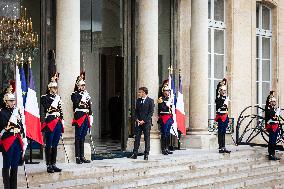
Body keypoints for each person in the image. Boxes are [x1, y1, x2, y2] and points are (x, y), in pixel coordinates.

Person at [0, 85, 28, 189]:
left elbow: (20, 126)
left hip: (16, 141)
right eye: (10, 101)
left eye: (13, 100)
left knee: (15, 165)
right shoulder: (2, 113)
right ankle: (7, 187)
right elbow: (3, 127)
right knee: (7, 165)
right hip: (8, 141)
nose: (13, 102)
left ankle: (13, 187)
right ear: (6, 101)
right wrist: (12, 125)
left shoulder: (16, 112)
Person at [41, 73, 64, 173]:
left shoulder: (58, 98)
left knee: (55, 144)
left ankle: (54, 163)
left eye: (56, 87)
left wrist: (62, 120)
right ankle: (48, 164)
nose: (55, 89)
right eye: (54, 87)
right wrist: (55, 100)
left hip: (58, 122)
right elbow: (48, 108)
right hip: (50, 121)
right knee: (49, 144)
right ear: (49, 88)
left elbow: (60, 110)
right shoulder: (45, 97)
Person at [71, 73, 92, 164]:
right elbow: (76, 103)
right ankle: (77, 156)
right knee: (78, 136)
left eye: (84, 85)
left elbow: (89, 106)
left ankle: (82, 156)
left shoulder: (86, 94)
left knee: (83, 137)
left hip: (86, 116)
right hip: (79, 116)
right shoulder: (74, 94)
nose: (83, 86)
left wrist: (91, 115)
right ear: (78, 86)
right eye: (82, 85)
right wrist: (83, 97)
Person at [130, 87, 154, 160]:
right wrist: (137, 119)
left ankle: (146, 154)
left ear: (144, 92)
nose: (138, 93)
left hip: (146, 123)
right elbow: (136, 111)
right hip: (138, 122)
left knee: (147, 138)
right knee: (137, 138)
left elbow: (151, 113)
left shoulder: (150, 101)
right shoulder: (138, 101)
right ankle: (135, 153)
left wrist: (144, 121)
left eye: (140, 92)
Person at [158, 85, 174, 155]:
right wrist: (167, 104)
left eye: (168, 91)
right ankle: (163, 149)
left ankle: (167, 148)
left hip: (169, 117)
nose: (167, 92)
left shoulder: (169, 99)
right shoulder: (161, 99)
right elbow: (162, 108)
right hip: (164, 117)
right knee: (164, 133)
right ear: (163, 91)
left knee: (168, 134)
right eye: (166, 91)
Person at [215, 82, 231, 153]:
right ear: (220, 91)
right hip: (220, 117)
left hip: (225, 116)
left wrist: (228, 117)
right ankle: (220, 147)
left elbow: (226, 108)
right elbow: (220, 106)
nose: (224, 92)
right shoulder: (218, 98)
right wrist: (220, 83)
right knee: (220, 132)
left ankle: (223, 146)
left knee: (224, 132)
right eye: (222, 90)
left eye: (225, 91)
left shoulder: (225, 98)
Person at [265, 95, 281, 160]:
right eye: (273, 101)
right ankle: (271, 155)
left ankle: (273, 154)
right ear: (270, 102)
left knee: (274, 141)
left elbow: (277, 119)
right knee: (272, 141)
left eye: (275, 101)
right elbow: (274, 118)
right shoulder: (268, 108)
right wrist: (277, 112)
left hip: (275, 126)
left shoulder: (272, 108)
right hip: (272, 127)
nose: (275, 102)